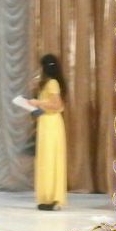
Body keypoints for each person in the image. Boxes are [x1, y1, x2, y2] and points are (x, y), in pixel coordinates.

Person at [28, 54, 67, 211]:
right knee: (45, 160)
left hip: (51, 123)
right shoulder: (47, 83)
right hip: (45, 122)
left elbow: (56, 105)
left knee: (50, 159)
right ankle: (46, 197)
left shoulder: (52, 83)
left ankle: (53, 198)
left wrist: (37, 102)